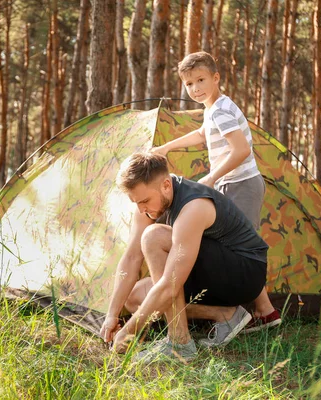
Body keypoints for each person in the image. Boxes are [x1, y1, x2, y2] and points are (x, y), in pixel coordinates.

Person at [150, 51, 280, 331]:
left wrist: (212, 177)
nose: (195, 88)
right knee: (232, 246)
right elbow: (201, 135)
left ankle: (256, 313)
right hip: (231, 183)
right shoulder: (213, 109)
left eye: (201, 80)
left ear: (216, 78)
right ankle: (264, 311)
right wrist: (166, 147)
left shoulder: (221, 109)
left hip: (241, 184)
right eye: (189, 84)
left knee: (241, 250)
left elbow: (242, 150)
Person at [100, 152, 269, 362]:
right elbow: (132, 257)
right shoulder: (145, 207)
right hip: (207, 273)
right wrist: (112, 315)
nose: (141, 209)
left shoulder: (193, 206)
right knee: (135, 298)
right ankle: (225, 315)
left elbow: (170, 285)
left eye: (144, 200)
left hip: (245, 274)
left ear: (165, 185)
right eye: (135, 202)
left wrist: (128, 332)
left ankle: (179, 343)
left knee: (153, 237)